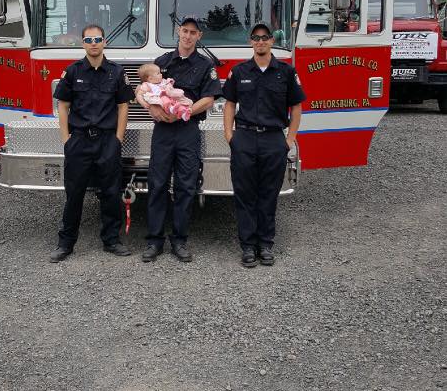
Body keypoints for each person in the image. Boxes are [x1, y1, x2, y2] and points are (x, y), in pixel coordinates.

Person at [136, 17, 222, 263]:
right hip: (163, 130)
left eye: (193, 32)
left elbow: (210, 98)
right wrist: (151, 109)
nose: (187, 36)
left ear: (199, 36)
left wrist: (183, 112)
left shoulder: (206, 66)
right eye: (184, 31)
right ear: (178, 32)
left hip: (188, 129)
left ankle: (180, 240)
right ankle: (154, 241)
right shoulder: (161, 62)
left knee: (186, 186)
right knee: (157, 183)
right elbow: (140, 90)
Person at [222, 22, 305, 268]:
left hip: (273, 140)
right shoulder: (239, 72)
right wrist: (230, 136)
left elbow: (297, 107)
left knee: (269, 194)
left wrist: (289, 140)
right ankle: (248, 247)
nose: (260, 41)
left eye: (265, 37)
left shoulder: (286, 72)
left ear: (272, 41)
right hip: (245, 139)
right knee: (245, 195)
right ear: (251, 42)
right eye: (256, 38)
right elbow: (229, 104)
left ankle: (266, 244)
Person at [50, 24, 134, 262]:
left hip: (108, 141)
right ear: (83, 44)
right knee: (74, 194)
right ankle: (65, 243)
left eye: (97, 39)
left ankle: (111, 240)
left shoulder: (116, 73)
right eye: (88, 40)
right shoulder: (73, 72)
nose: (93, 43)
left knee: (110, 193)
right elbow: (63, 106)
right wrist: (66, 139)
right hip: (79, 142)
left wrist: (118, 138)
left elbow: (123, 107)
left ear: (104, 42)